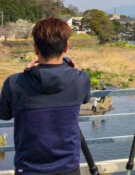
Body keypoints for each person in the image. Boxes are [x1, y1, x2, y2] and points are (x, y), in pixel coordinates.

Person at [0, 17, 91, 175]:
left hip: (28, 169)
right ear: (66, 47)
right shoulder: (81, 79)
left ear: (36, 49)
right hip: (68, 168)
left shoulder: (14, 83)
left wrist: (26, 74)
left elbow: (4, 114)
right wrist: (75, 72)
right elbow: (85, 98)